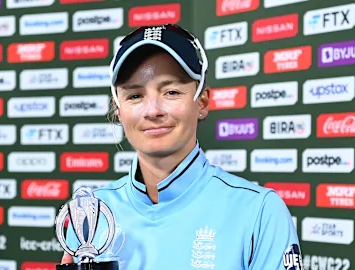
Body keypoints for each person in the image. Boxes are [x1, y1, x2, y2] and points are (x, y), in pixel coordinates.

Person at [60, 24, 303, 270]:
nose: (153, 110)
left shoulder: (260, 211)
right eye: (135, 96)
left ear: (202, 101)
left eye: (171, 92)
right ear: (118, 110)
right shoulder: (92, 214)